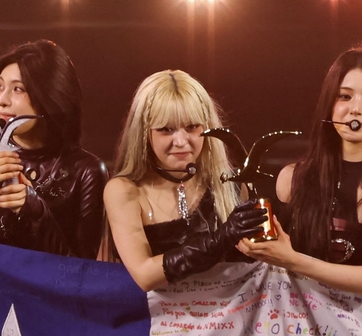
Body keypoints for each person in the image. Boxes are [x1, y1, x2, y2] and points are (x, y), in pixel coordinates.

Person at [237, 45, 362, 298]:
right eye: (344, 96)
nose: (355, 109)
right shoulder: (293, 178)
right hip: (298, 326)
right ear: (329, 104)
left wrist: (293, 260)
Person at [104, 70, 267, 290]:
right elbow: (144, 275)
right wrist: (222, 237)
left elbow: (260, 268)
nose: (181, 141)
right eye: (166, 129)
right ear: (144, 133)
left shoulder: (231, 185)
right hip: (155, 322)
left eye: (191, 127)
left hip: (231, 319)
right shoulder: (123, 190)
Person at [0, 40, 107, 258]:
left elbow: (81, 270)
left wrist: (36, 209)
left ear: (50, 95)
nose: (2, 100)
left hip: (53, 292)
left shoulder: (86, 170)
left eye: (18, 88)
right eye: (0, 86)